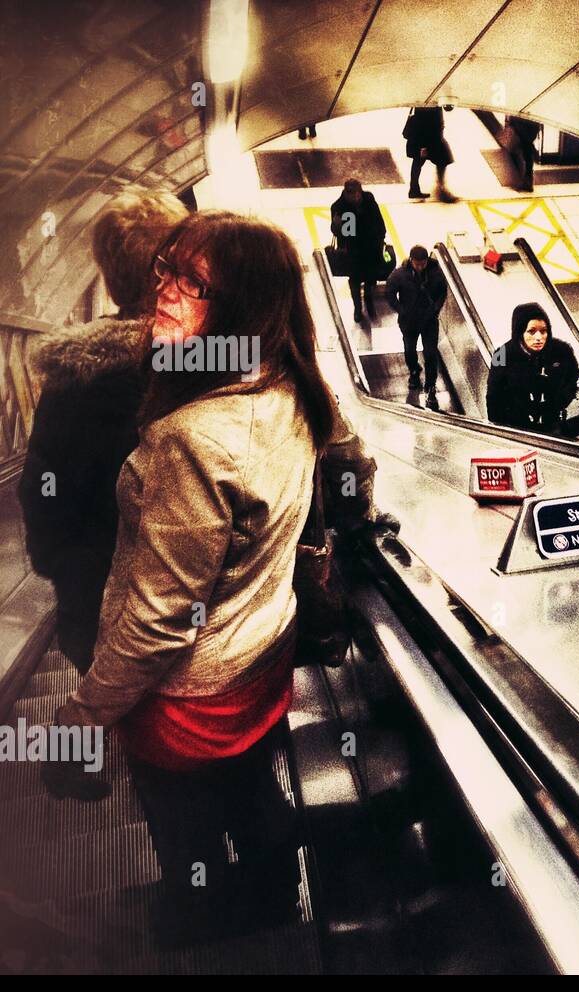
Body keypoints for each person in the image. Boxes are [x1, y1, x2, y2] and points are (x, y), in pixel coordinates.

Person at [39, 211, 340, 944]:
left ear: (240, 307)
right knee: (249, 787)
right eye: (166, 271)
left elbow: (157, 621)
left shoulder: (190, 440)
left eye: (194, 284)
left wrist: (79, 719)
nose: (165, 293)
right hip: (260, 660)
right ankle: (273, 897)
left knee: (184, 825)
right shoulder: (290, 389)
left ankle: (193, 919)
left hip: (186, 698)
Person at [18, 187, 189, 675]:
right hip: (211, 632)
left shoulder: (72, 379)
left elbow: (42, 492)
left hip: (101, 624)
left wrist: (74, 577)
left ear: (110, 280)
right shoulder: (219, 363)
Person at [487, 302, 579, 435]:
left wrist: (561, 401)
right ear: (520, 331)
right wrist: (498, 432)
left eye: (543, 331)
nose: (539, 338)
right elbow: (494, 397)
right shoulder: (502, 354)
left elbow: (572, 378)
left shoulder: (561, 351)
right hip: (517, 429)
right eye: (531, 331)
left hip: (554, 427)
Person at [385, 244, 447, 404]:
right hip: (409, 321)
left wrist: (435, 308)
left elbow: (442, 291)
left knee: (431, 353)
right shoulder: (400, 274)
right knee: (409, 350)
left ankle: (430, 385)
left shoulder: (436, 273)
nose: (420, 267)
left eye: (423, 263)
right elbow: (389, 292)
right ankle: (414, 371)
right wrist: (401, 310)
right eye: (417, 264)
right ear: (411, 260)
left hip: (429, 320)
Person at [329, 177, 388, 323]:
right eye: (352, 195)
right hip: (353, 252)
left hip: (372, 247)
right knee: (355, 280)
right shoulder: (339, 207)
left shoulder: (369, 198)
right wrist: (336, 225)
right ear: (346, 193)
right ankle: (357, 308)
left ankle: (369, 302)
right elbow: (343, 233)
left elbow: (378, 219)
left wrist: (381, 236)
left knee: (371, 277)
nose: (355, 197)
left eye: (357, 194)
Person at [403, 105, 456, 202]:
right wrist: (423, 146)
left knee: (419, 161)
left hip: (432, 135)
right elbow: (422, 122)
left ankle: (415, 189)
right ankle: (440, 189)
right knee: (442, 159)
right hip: (428, 136)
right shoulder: (426, 101)